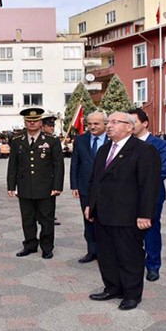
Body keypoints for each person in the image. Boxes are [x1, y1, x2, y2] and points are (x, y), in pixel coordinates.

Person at [85, 112, 161, 311]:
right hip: (103, 213)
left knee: (129, 255)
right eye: (108, 122)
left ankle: (131, 294)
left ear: (129, 127)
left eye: (114, 122)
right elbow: (95, 181)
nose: (109, 125)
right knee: (107, 254)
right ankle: (112, 287)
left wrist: (145, 214)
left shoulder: (144, 150)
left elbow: (149, 185)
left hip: (128, 215)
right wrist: (90, 205)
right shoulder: (104, 150)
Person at [7, 107, 64, 259]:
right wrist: (11, 186)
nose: (32, 123)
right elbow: (13, 165)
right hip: (25, 186)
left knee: (46, 219)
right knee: (27, 219)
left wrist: (57, 186)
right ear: (24, 122)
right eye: (29, 121)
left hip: (46, 187)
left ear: (40, 122)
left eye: (35, 121)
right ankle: (30, 245)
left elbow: (58, 165)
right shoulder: (17, 141)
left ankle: (47, 247)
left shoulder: (52, 141)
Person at [129, 108, 166, 281]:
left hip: (152, 195)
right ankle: (133, 263)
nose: (131, 126)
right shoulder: (127, 144)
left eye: (134, 122)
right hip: (128, 196)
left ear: (145, 123)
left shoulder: (161, 145)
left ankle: (153, 265)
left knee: (151, 229)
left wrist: (132, 180)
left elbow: (163, 171)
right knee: (130, 230)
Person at [70, 110, 108, 263]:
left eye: (96, 124)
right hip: (85, 187)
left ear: (105, 124)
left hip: (107, 189)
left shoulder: (112, 140)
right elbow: (75, 163)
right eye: (90, 124)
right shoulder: (80, 140)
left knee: (106, 220)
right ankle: (91, 251)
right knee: (88, 219)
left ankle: (106, 252)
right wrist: (74, 185)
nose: (92, 127)